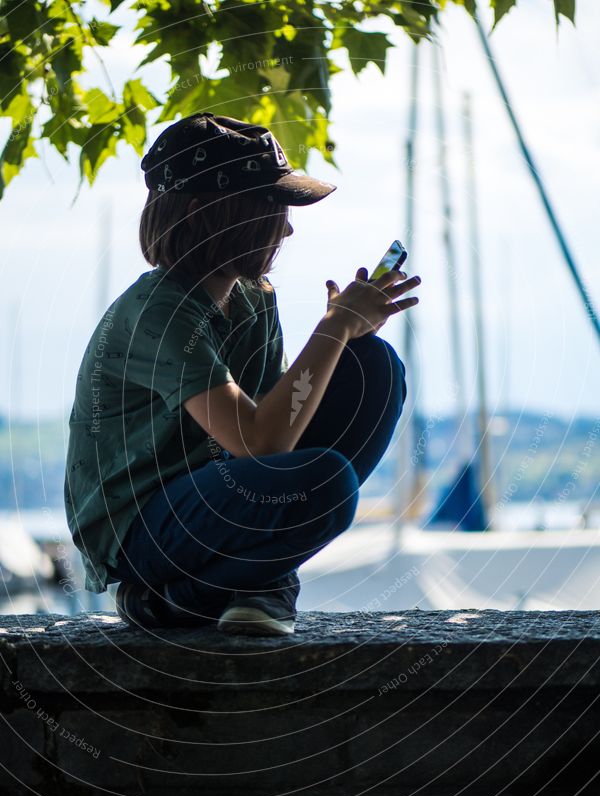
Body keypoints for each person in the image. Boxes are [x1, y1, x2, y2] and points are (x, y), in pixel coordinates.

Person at [64, 112, 421, 636]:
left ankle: (254, 587)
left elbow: (278, 423)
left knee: (374, 368)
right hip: (142, 528)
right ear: (204, 211)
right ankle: (179, 598)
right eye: (269, 207)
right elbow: (260, 444)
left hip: (219, 493)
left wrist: (344, 338)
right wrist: (334, 327)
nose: (287, 226)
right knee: (327, 482)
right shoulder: (158, 314)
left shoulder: (253, 299)